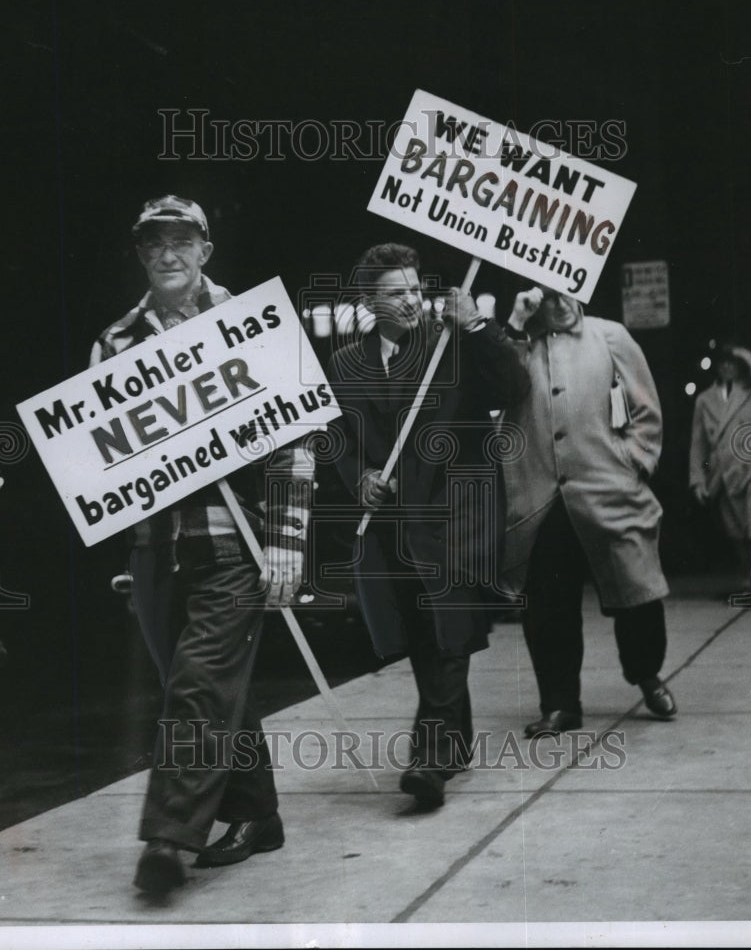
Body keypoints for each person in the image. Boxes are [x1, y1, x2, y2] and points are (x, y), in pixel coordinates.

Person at [91, 196, 313, 894]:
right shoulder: (114, 343)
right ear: (139, 253)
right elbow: (105, 457)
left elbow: (293, 441)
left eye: (181, 240)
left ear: (205, 249)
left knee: (194, 690)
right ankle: (259, 816)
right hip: (157, 550)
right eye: (154, 243)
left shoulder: (251, 324)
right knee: (207, 688)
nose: (168, 254)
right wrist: (131, 555)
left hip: (232, 544)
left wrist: (285, 542)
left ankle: (168, 841)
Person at [326, 243, 530, 808]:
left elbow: (514, 389)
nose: (413, 301)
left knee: (447, 631)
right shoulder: (344, 365)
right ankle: (456, 740)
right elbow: (337, 439)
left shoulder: (451, 345)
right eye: (397, 293)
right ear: (369, 300)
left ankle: (430, 759)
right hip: (393, 527)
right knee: (424, 637)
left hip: (455, 518)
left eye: (417, 290)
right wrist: (360, 476)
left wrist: (479, 326)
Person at [501, 285, 677, 738]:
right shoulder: (519, 345)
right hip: (543, 497)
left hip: (609, 487)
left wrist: (635, 459)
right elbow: (496, 389)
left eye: (563, 290)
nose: (554, 300)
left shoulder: (610, 336)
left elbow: (646, 408)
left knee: (636, 591)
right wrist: (516, 326)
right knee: (548, 609)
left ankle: (647, 674)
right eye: (543, 291)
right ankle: (560, 704)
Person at [689, 343, 751, 600]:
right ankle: (750, 579)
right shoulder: (704, 399)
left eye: (733, 363)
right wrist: (698, 479)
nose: (727, 367)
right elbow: (698, 443)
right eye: (723, 363)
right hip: (723, 474)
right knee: (736, 533)